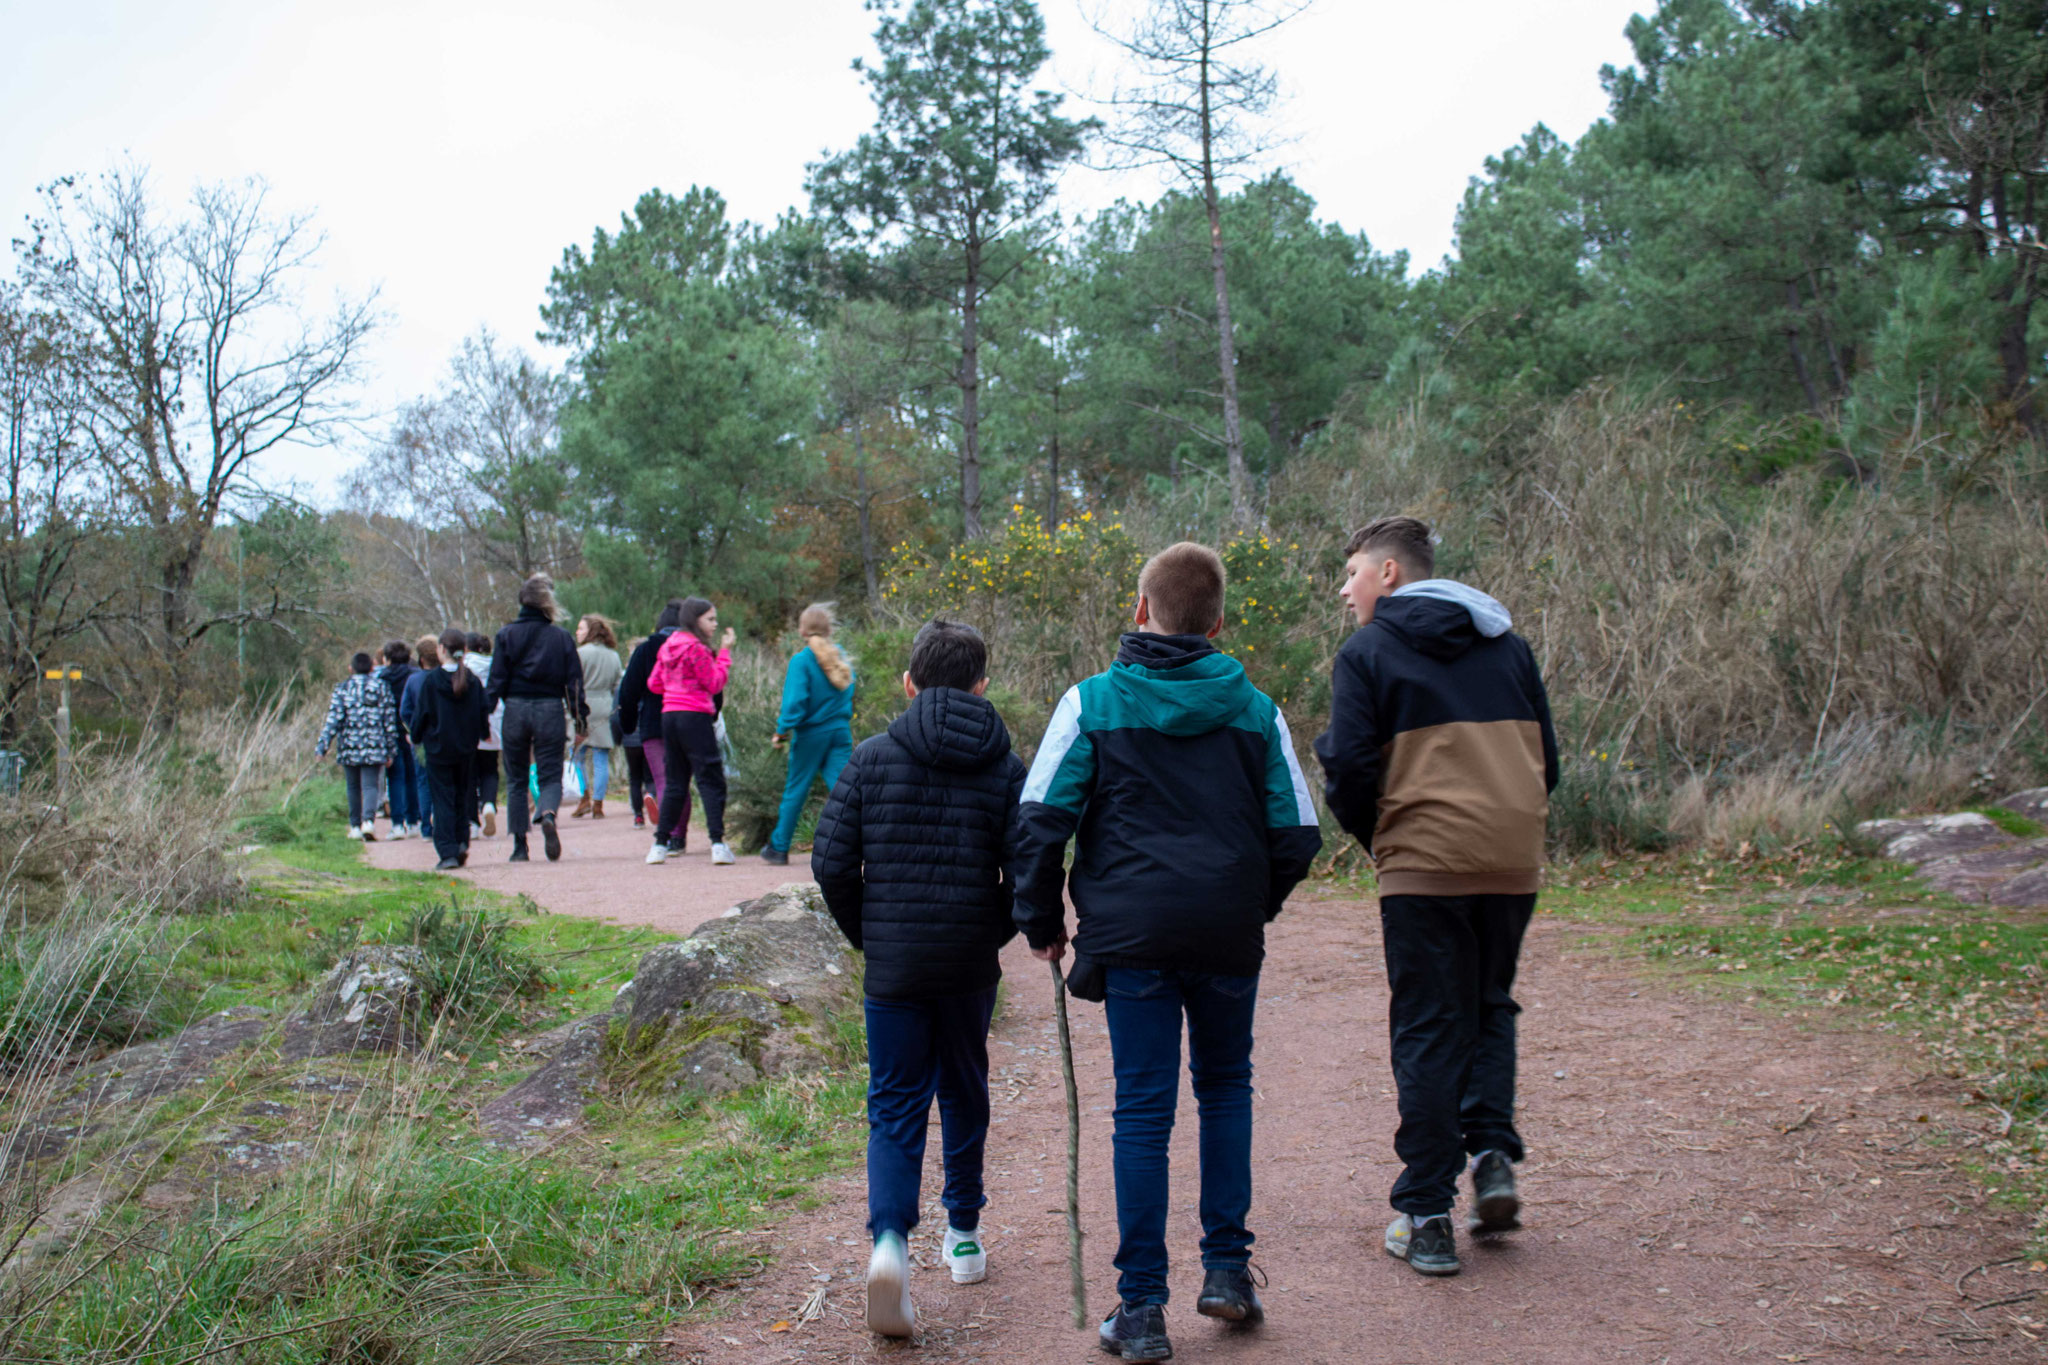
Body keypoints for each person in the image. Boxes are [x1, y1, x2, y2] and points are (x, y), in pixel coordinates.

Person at [1013, 542, 1321, 1363]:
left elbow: (1038, 820)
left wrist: (1039, 919)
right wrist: (1252, 904)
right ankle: (1227, 1271)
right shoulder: (1257, 710)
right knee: (1225, 1091)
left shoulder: (1090, 703)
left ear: (1139, 610)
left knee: (1143, 1111)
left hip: (1135, 937)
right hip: (1225, 933)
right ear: (1217, 622)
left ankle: (1141, 1307)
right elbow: (1298, 832)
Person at [1312, 516, 1558, 1279]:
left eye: (1352, 572)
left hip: (1424, 861)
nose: (1345, 589)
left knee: (1427, 1022)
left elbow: (1348, 768)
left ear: (1389, 573)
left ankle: (1424, 1212)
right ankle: (1491, 1160)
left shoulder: (1368, 651)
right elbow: (1548, 757)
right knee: (1489, 1004)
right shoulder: (1509, 644)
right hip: (1511, 856)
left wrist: (1381, 837)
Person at [810, 619, 1025, 1338]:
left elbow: (832, 863)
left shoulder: (870, 759)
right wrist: (993, 927)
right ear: (980, 685)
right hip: (969, 963)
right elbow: (1025, 867)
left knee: (896, 1102)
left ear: (908, 683)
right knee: (965, 1088)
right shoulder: (1004, 766)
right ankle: (963, 1233)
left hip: (895, 967)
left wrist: (873, 936)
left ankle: (889, 1244)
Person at [485, 574, 588, 863]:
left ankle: (519, 847)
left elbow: (496, 682)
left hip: (515, 710)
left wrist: (484, 717)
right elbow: (574, 684)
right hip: (549, 709)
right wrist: (580, 721)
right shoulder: (561, 638)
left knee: (517, 779)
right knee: (550, 774)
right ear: (548, 603)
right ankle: (548, 814)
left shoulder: (506, 635)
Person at [763, 602, 857, 866]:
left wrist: (781, 732)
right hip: (840, 732)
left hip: (811, 736)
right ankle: (863, 845)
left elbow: (794, 704)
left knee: (796, 789)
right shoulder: (841, 657)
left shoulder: (802, 661)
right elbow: (849, 691)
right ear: (828, 629)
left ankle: (779, 847)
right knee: (845, 790)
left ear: (802, 631)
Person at [644, 597, 735, 866]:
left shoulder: (668, 647)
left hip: (669, 716)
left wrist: (676, 690)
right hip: (695, 716)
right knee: (710, 779)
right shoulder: (696, 648)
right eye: (710, 619)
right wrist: (725, 653)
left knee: (675, 782)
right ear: (695, 620)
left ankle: (659, 844)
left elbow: (653, 683)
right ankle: (718, 844)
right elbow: (714, 682)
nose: (715, 625)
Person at [412, 627, 489, 871]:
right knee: (463, 796)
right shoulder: (472, 681)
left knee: (443, 799)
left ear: (442, 650)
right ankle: (461, 842)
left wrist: (415, 736)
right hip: (466, 748)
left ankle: (447, 851)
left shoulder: (432, 681)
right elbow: (482, 711)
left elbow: (421, 714)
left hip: (438, 749)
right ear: (464, 651)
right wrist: (482, 734)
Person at [315, 651, 401, 842]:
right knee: (371, 785)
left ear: (350, 668)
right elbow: (389, 720)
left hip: (350, 746)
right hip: (374, 745)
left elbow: (333, 719)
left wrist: (322, 746)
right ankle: (368, 822)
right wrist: (391, 749)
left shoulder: (343, 688)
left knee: (353, 786)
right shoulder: (381, 687)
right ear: (372, 668)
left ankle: (354, 826)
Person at [618, 602, 683, 828]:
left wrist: (626, 724)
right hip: (690, 721)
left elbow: (628, 691)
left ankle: (670, 834)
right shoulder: (695, 646)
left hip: (653, 723)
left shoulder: (645, 649)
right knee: (681, 781)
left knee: (664, 779)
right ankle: (680, 835)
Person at [572, 615, 624, 819]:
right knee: (601, 757)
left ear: (590, 631)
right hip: (605, 705)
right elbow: (617, 684)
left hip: (582, 705)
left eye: (580, 628)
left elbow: (572, 681)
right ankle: (598, 804)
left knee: (577, 755)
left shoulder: (579, 654)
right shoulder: (613, 655)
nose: (577, 632)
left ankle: (584, 796)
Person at [375, 639, 420, 841]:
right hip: (410, 730)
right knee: (412, 775)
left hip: (389, 732)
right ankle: (413, 822)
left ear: (386, 658)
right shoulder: (414, 675)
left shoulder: (381, 678)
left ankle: (397, 824)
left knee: (395, 777)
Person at [401, 634, 441, 844]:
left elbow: (405, 710)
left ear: (421, 659)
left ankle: (427, 827)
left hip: (421, 739)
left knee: (423, 781)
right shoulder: (445, 677)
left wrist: (413, 731)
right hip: (444, 737)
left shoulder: (414, 680)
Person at [465, 632, 500, 836]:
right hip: (493, 721)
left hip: (469, 723)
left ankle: (472, 822)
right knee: (490, 768)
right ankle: (488, 803)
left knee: (469, 773)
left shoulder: (464, 667)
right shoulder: (495, 665)